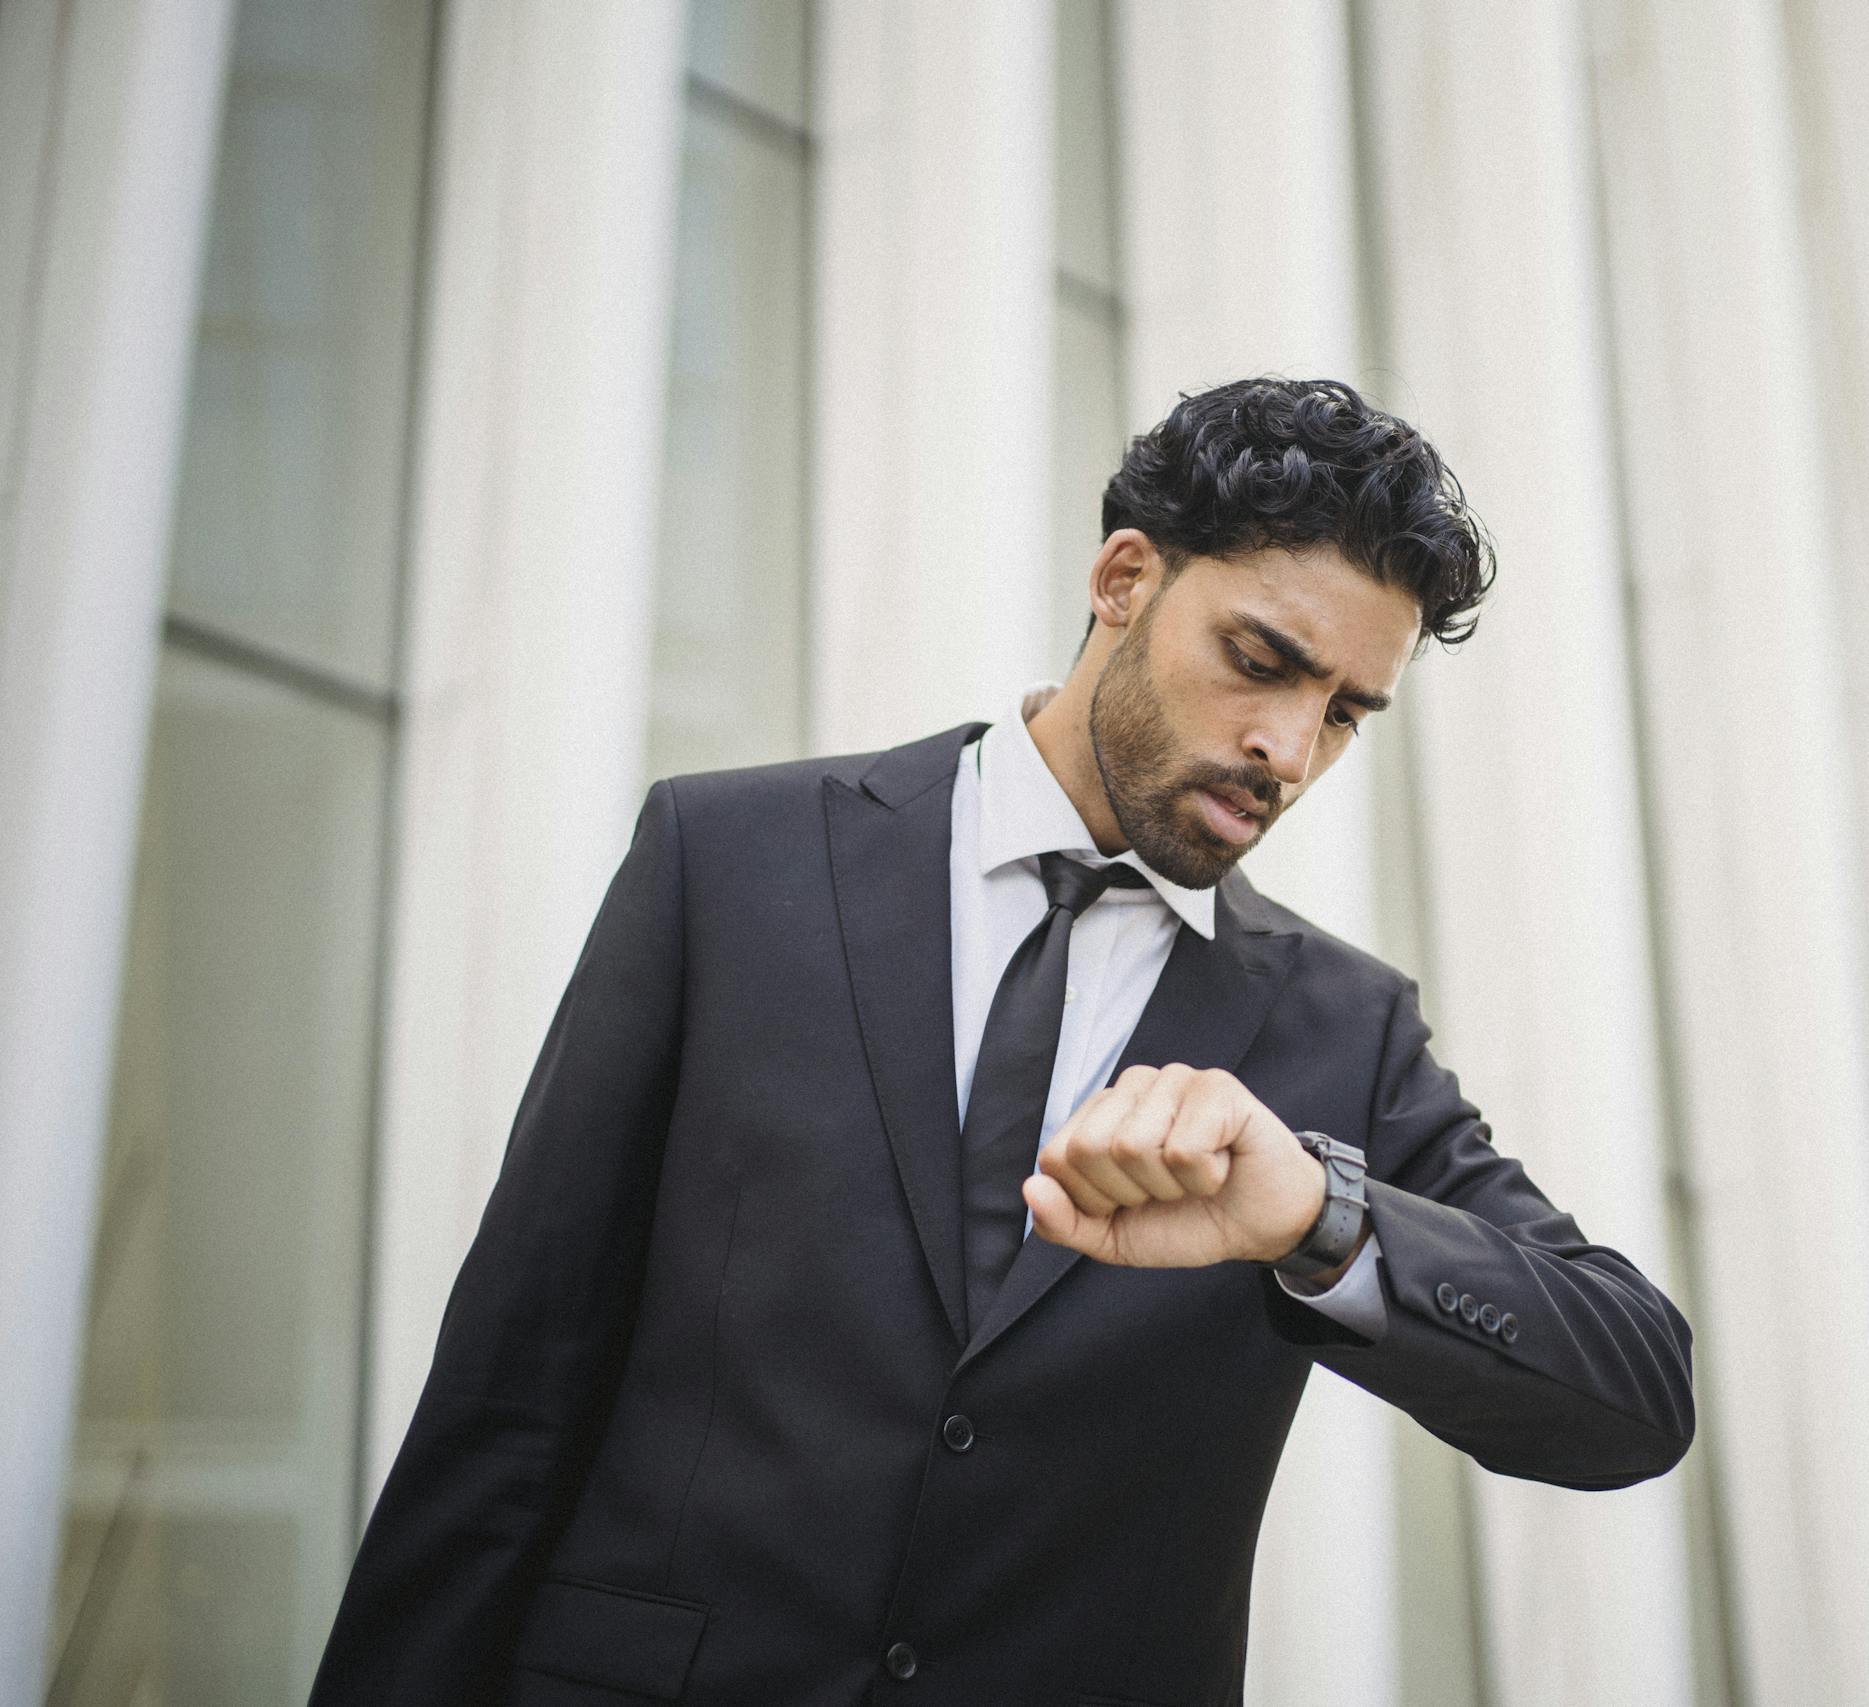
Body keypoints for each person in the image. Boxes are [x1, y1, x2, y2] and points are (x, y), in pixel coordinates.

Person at [308, 377, 1694, 1706]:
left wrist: (1316, 1216)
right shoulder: (726, 864)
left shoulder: (1346, 1029)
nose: (1287, 746)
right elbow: (508, 1399)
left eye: (1342, 713)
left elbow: (1632, 1388)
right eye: (1261, 662)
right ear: (1125, 581)